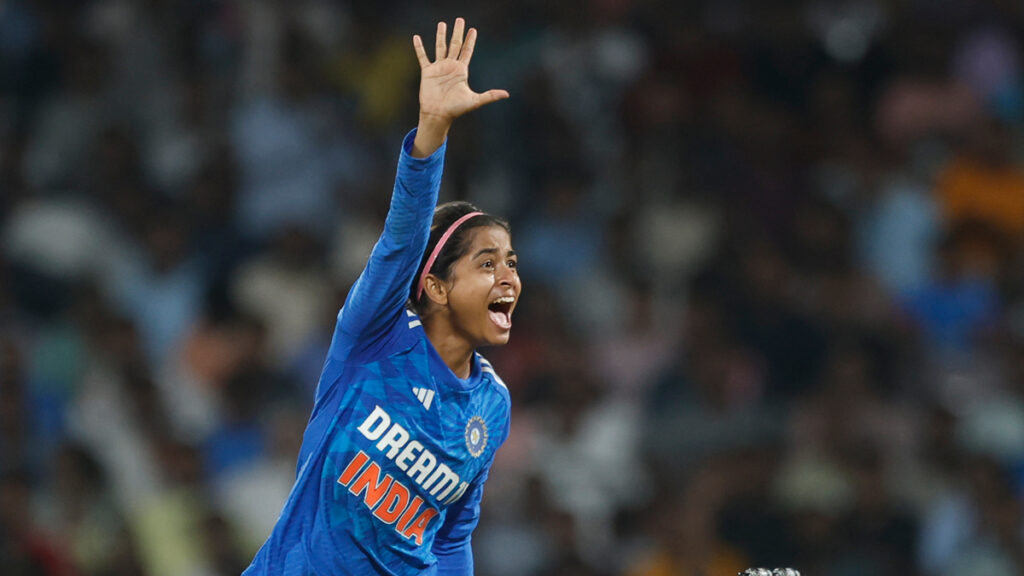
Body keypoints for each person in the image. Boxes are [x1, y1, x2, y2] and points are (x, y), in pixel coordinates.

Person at [242, 19, 520, 576]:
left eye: (511, 263)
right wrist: (431, 133)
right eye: (487, 264)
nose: (508, 277)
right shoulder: (376, 338)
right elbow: (400, 243)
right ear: (436, 286)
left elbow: (451, 539)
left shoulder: (492, 404)